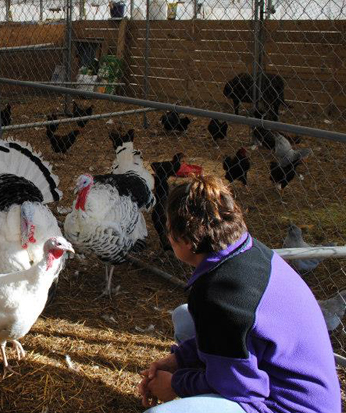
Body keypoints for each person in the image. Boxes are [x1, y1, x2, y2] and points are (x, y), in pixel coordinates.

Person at [138, 175, 340, 413]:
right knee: (185, 316)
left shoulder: (219, 295)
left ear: (186, 239)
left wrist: (176, 385)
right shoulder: (248, 250)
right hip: (304, 392)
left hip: (285, 405)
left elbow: (242, 388)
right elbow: (234, 336)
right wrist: (179, 360)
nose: (168, 237)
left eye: (169, 230)